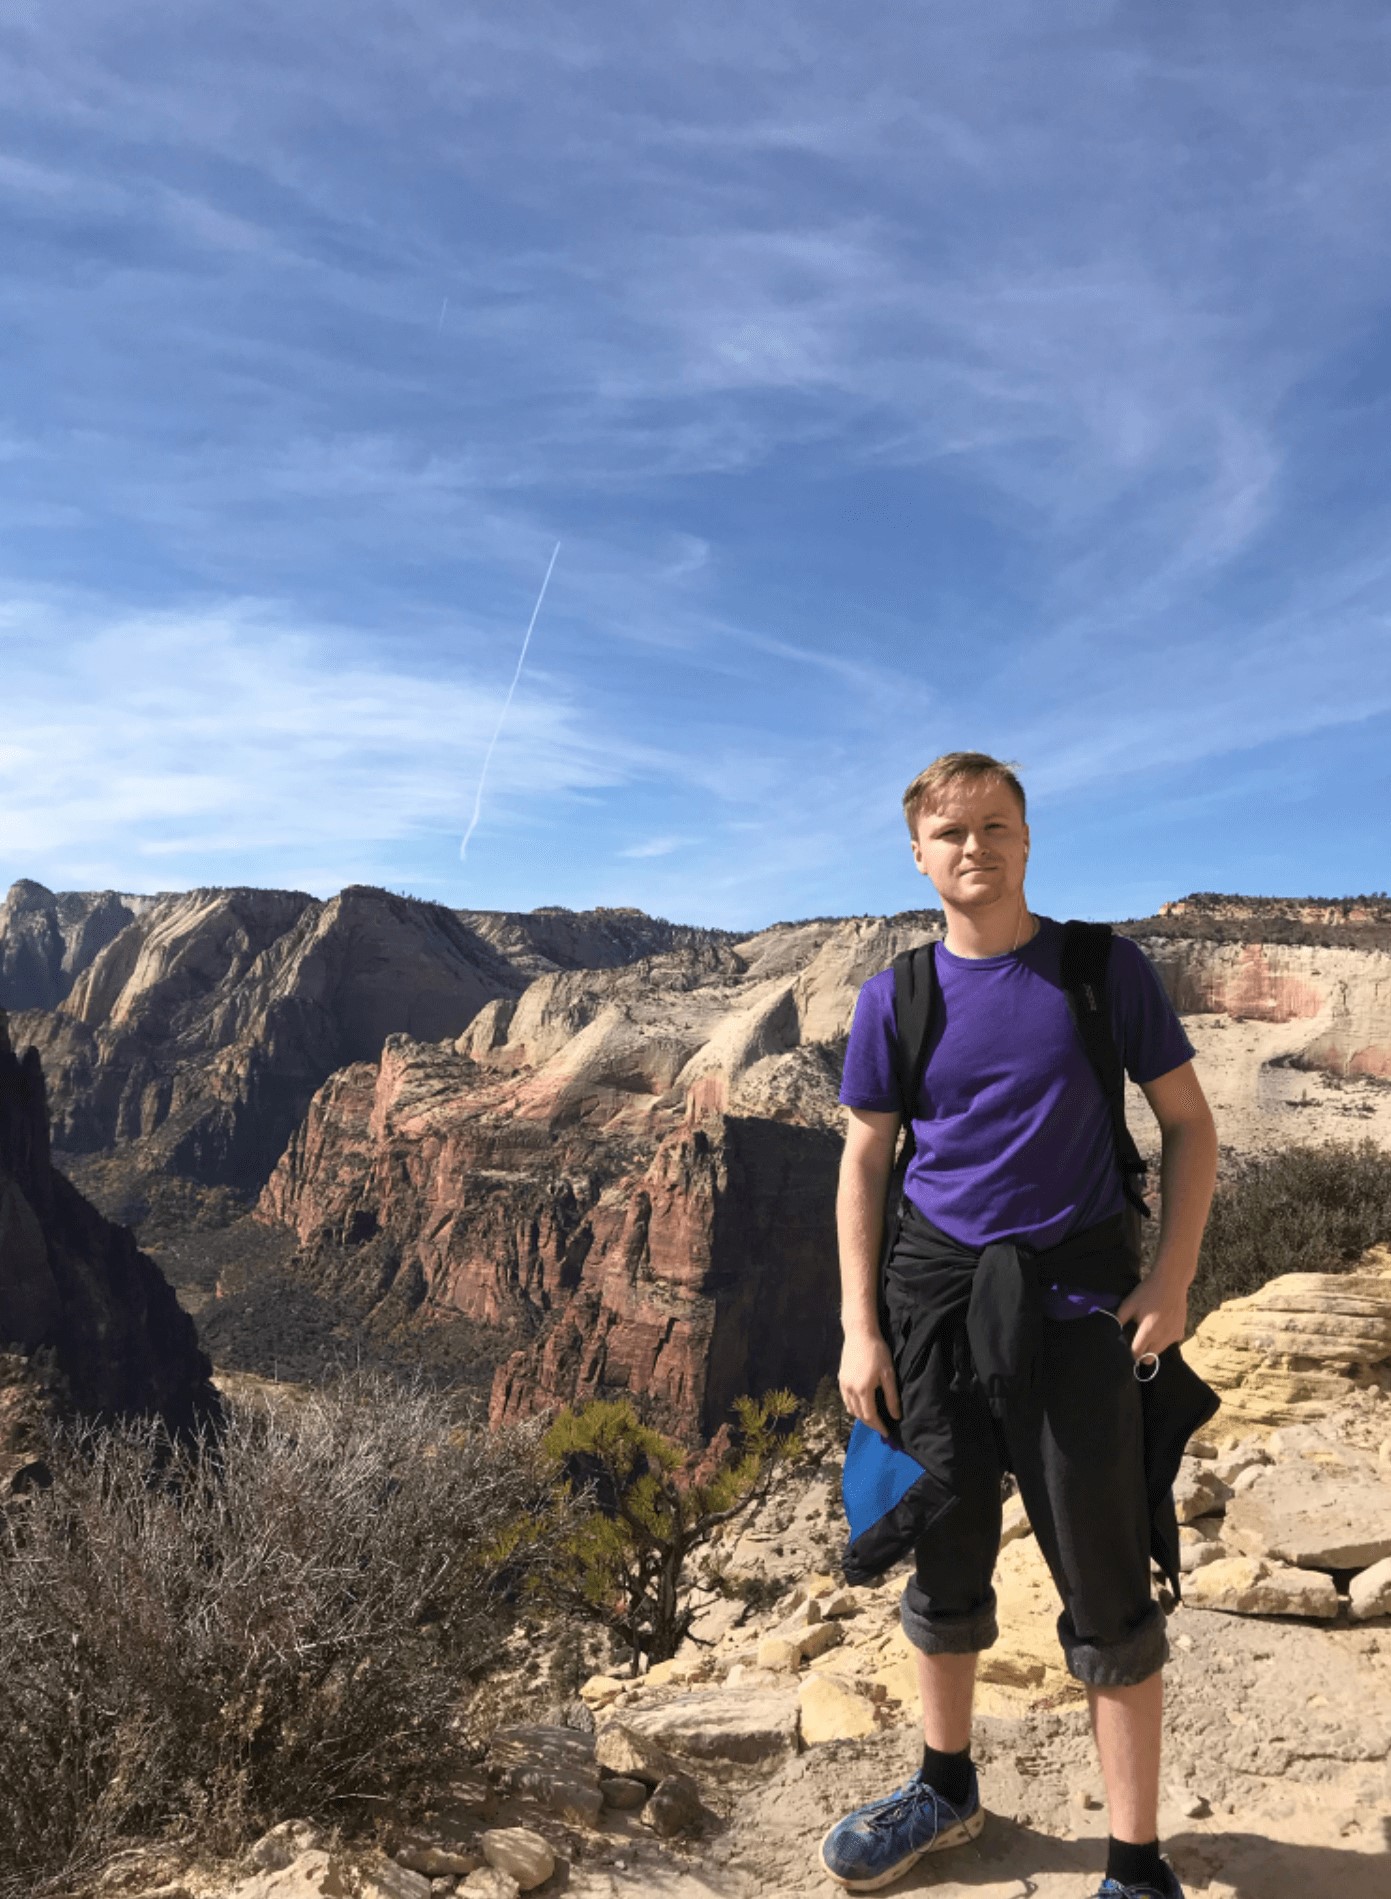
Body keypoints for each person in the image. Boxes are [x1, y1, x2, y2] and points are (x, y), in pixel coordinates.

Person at [821, 752, 1218, 1899]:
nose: (974, 849)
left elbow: (1189, 1127)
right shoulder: (894, 995)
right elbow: (862, 1162)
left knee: (1104, 1582)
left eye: (995, 827)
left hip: (1076, 1309)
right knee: (940, 1559)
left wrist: (1174, 1278)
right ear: (917, 854)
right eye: (950, 833)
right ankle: (942, 1790)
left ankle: (1134, 1867)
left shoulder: (1101, 971)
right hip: (929, 1311)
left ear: (1028, 839)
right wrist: (859, 1327)